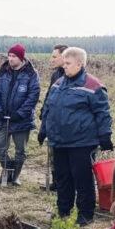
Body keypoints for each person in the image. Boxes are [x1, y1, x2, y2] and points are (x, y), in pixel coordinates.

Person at [39, 47, 112, 226]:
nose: (64, 67)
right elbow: (49, 108)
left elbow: (103, 113)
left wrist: (105, 136)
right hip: (59, 141)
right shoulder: (58, 84)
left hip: (82, 142)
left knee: (82, 179)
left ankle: (85, 214)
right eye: (63, 63)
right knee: (63, 178)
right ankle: (64, 211)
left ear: (80, 64)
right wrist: (43, 130)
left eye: (68, 63)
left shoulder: (93, 86)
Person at [0, 43, 40, 186]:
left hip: (21, 120)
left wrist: (20, 114)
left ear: (21, 58)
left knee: (20, 150)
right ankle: (8, 169)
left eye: (14, 56)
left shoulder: (31, 74)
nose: (10, 59)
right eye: (9, 55)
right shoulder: (2, 71)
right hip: (2, 118)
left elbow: (33, 96)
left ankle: (15, 177)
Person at [40, 44, 68, 191]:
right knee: (53, 153)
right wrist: (43, 112)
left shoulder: (71, 76)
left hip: (65, 123)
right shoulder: (55, 75)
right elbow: (49, 96)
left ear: (64, 57)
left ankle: (64, 184)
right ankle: (56, 182)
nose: (51, 59)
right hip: (52, 121)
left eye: (54, 56)